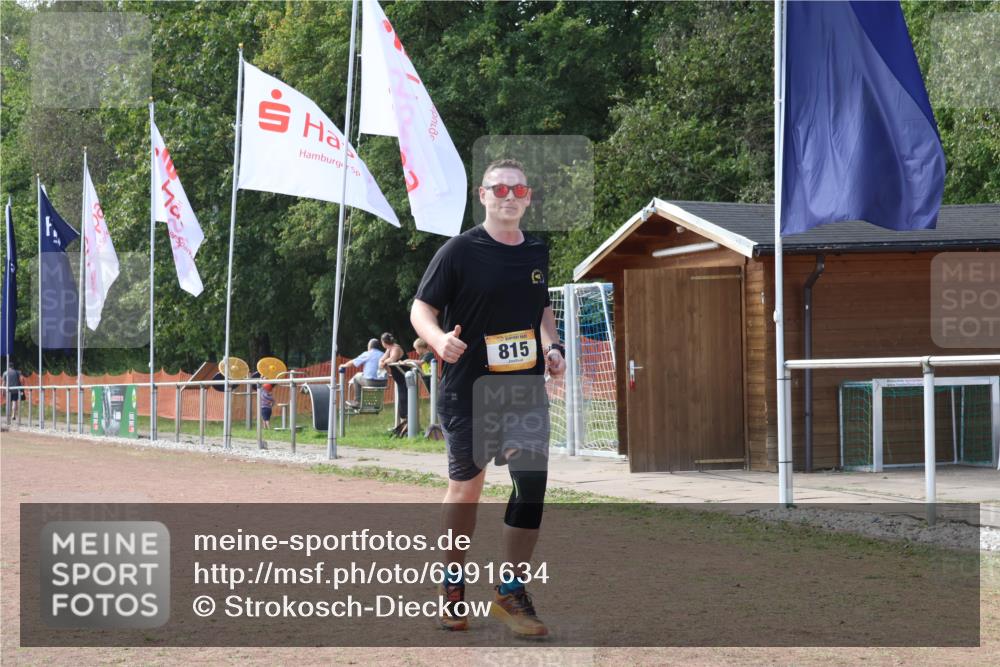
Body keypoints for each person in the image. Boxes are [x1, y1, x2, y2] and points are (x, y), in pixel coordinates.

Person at [410, 158, 566, 637]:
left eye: (517, 189)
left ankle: (510, 593)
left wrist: (551, 346)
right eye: (498, 189)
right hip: (469, 390)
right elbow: (421, 308)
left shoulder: (536, 251)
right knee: (467, 489)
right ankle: (452, 583)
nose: (508, 196)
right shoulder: (459, 251)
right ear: (483, 195)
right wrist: (437, 341)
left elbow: (542, 309)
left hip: (522, 391)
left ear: (528, 197)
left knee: (530, 484)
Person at [338, 338, 385, 406]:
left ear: (369, 346)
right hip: (383, 383)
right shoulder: (383, 354)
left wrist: (344, 365)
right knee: (361, 375)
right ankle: (374, 402)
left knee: (356, 378)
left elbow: (353, 362)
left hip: (371, 382)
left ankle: (358, 401)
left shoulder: (368, 354)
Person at [378, 332, 407, 422]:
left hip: (404, 378)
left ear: (383, 342)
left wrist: (384, 362)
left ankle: (406, 421)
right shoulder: (389, 349)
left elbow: (392, 359)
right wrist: (382, 362)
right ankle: (403, 422)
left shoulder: (396, 348)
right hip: (399, 379)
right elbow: (381, 360)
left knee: (404, 399)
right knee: (401, 399)